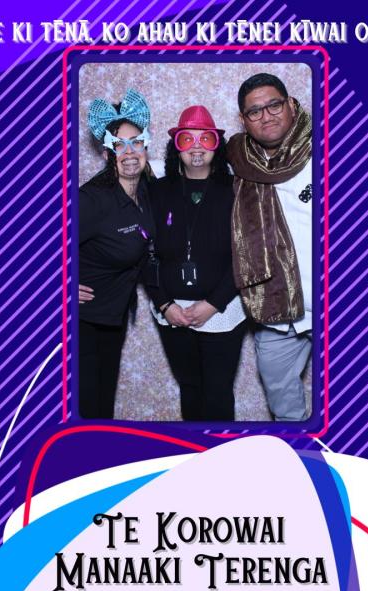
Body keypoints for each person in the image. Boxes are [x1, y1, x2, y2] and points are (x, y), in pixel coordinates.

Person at [145, 105, 244, 421]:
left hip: (223, 310)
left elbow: (246, 255)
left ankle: (223, 451)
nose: (197, 147)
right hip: (172, 312)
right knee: (190, 388)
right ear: (177, 146)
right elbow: (145, 253)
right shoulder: (157, 192)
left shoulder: (237, 190)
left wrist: (213, 304)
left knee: (218, 392)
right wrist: (164, 304)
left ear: (217, 145)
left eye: (206, 139)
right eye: (188, 139)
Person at [229, 73, 313, 421]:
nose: (266, 116)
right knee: (284, 409)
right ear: (243, 120)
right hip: (275, 310)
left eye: (274, 105)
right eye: (255, 111)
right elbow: (182, 168)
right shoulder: (237, 159)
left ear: (291, 104)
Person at [77, 89, 156, 419]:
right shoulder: (92, 199)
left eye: (136, 142)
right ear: (108, 153)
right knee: (84, 409)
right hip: (80, 323)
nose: (129, 152)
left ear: (146, 146)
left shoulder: (147, 192)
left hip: (114, 315)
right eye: (120, 145)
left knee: (103, 405)